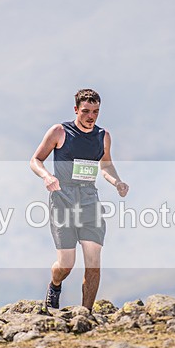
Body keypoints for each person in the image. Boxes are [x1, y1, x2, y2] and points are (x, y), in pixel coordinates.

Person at [30, 89, 129, 310]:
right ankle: (55, 285)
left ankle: (86, 313)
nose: (90, 116)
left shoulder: (103, 136)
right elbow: (35, 160)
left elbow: (106, 165)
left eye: (95, 111)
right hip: (62, 201)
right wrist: (47, 176)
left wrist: (117, 182)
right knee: (66, 265)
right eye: (85, 111)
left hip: (89, 201)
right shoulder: (59, 132)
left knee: (93, 262)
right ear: (76, 110)